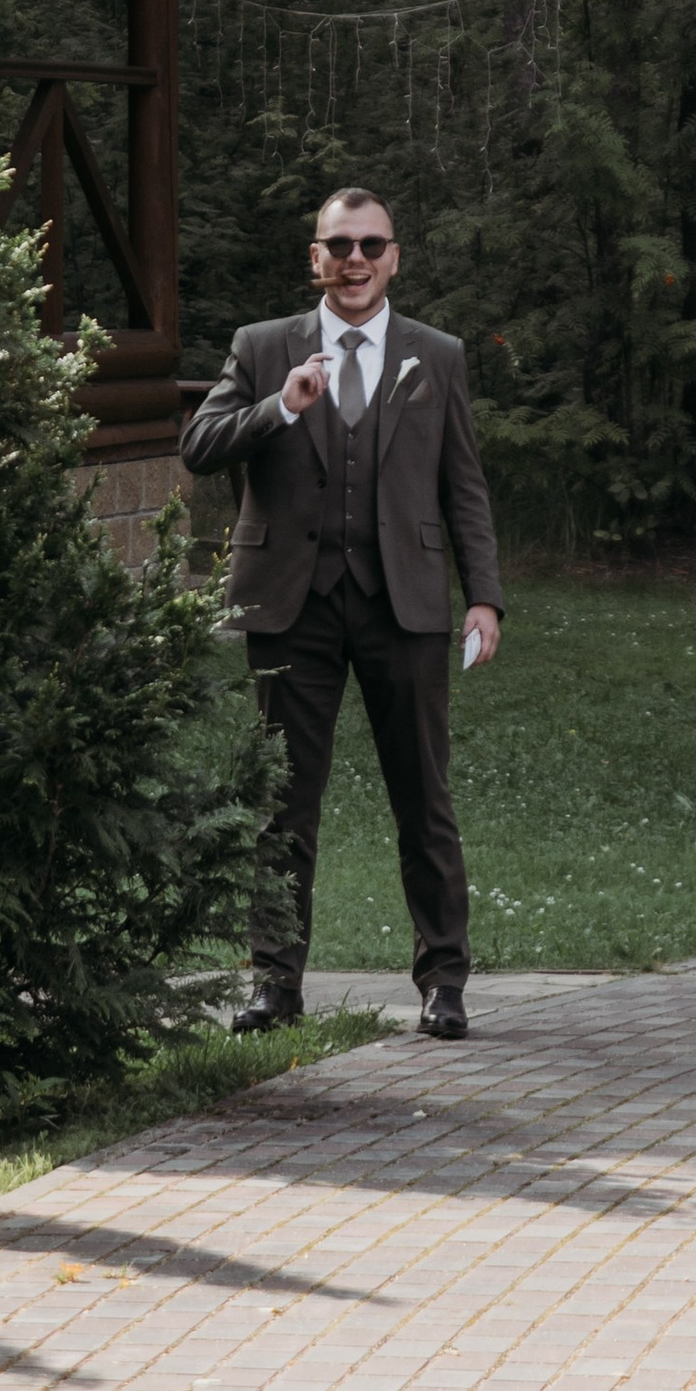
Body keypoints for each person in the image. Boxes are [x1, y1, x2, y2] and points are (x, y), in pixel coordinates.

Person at [180, 188, 504, 1042]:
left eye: (371, 244)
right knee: (282, 803)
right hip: (293, 606)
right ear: (314, 257)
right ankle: (274, 984)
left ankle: (443, 982)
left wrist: (483, 594)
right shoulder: (261, 348)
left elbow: (463, 485)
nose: (354, 259)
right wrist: (281, 406)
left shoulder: (437, 356)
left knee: (423, 797)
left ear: (396, 256)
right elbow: (198, 446)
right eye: (339, 245)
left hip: (405, 603)